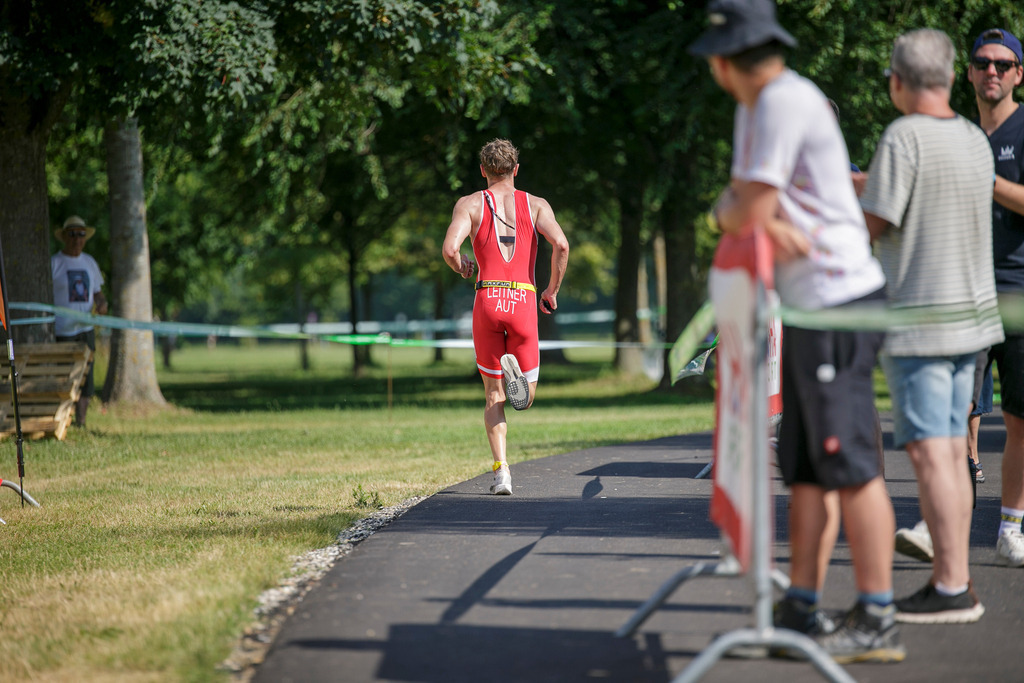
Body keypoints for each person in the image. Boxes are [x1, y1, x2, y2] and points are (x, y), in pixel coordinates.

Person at [689, 0, 903, 663]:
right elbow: (750, 207)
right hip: (810, 308)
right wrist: (746, 211)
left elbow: (742, 206)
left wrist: (737, 212)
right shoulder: (759, 106)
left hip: (837, 303)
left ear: (724, 62)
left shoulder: (781, 102)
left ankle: (877, 615)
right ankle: (802, 605)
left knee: (852, 464)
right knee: (806, 467)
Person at [859, 28, 1005, 623]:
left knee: (930, 454)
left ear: (898, 80)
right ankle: (956, 580)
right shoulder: (974, 138)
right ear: (950, 77)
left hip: (921, 325)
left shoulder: (902, 137)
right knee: (952, 452)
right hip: (972, 322)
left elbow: (874, 227)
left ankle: (950, 585)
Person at [442, 139, 569, 496]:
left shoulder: (469, 204)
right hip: (523, 300)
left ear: (482, 170)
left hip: (487, 298)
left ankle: (502, 474)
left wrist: (462, 265)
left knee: (492, 394)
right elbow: (561, 245)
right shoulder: (537, 205)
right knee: (524, 398)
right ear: (516, 169)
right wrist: (551, 291)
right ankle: (522, 389)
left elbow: (450, 249)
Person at [51, 215, 108, 428]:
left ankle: (81, 422)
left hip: (85, 329)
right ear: (65, 236)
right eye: (73, 234)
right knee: (64, 376)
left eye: (81, 234)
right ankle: (63, 419)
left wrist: (102, 304)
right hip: (62, 331)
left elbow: (97, 293)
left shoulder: (90, 263)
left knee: (87, 376)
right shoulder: (54, 263)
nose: (77, 238)